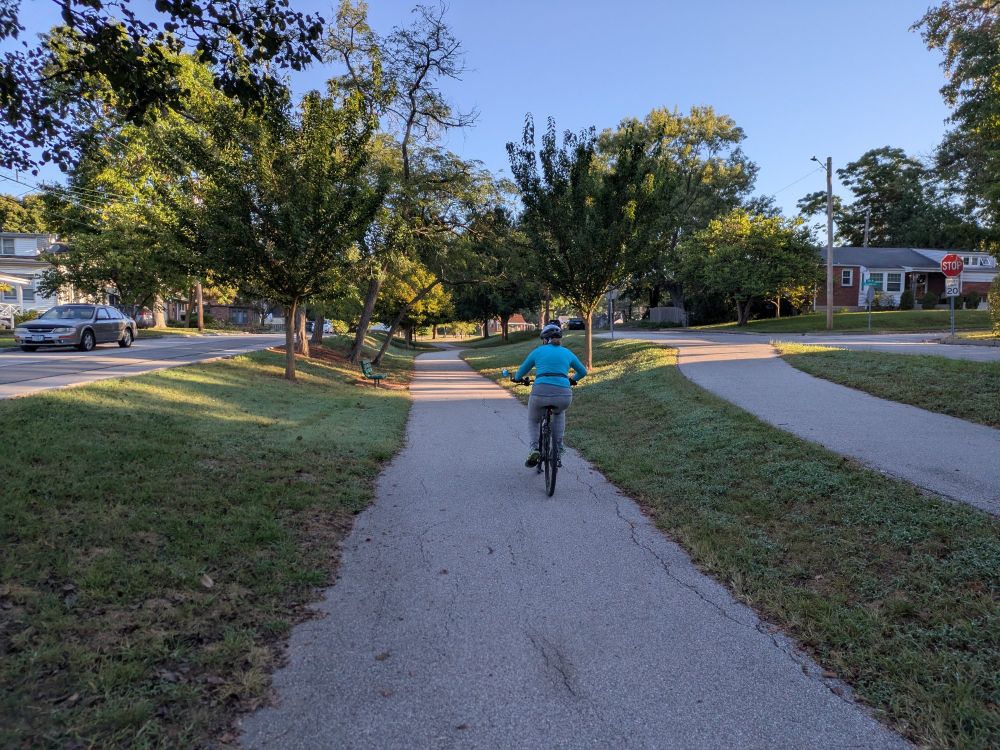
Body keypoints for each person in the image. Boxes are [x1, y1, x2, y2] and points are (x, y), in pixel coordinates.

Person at [514, 321, 587, 468]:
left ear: (545, 339)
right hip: (563, 395)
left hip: (540, 392)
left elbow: (520, 373)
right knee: (559, 413)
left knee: (534, 420)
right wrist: (572, 380)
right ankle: (558, 448)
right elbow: (583, 372)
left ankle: (534, 449)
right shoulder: (567, 352)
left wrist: (517, 379)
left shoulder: (538, 351)